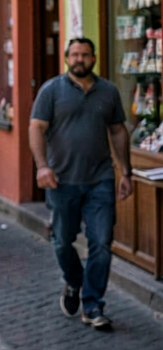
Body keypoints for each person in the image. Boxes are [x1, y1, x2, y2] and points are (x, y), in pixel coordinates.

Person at [30, 38, 133, 331]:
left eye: (85, 54)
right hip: (61, 180)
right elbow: (36, 127)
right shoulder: (51, 90)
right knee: (62, 241)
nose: (80, 58)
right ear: (66, 57)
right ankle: (75, 281)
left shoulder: (108, 91)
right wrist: (42, 167)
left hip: (100, 179)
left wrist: (126, 171)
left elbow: (117, 131)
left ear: (94, 58)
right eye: (74, 54)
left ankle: (93, 305)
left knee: (101, 242)